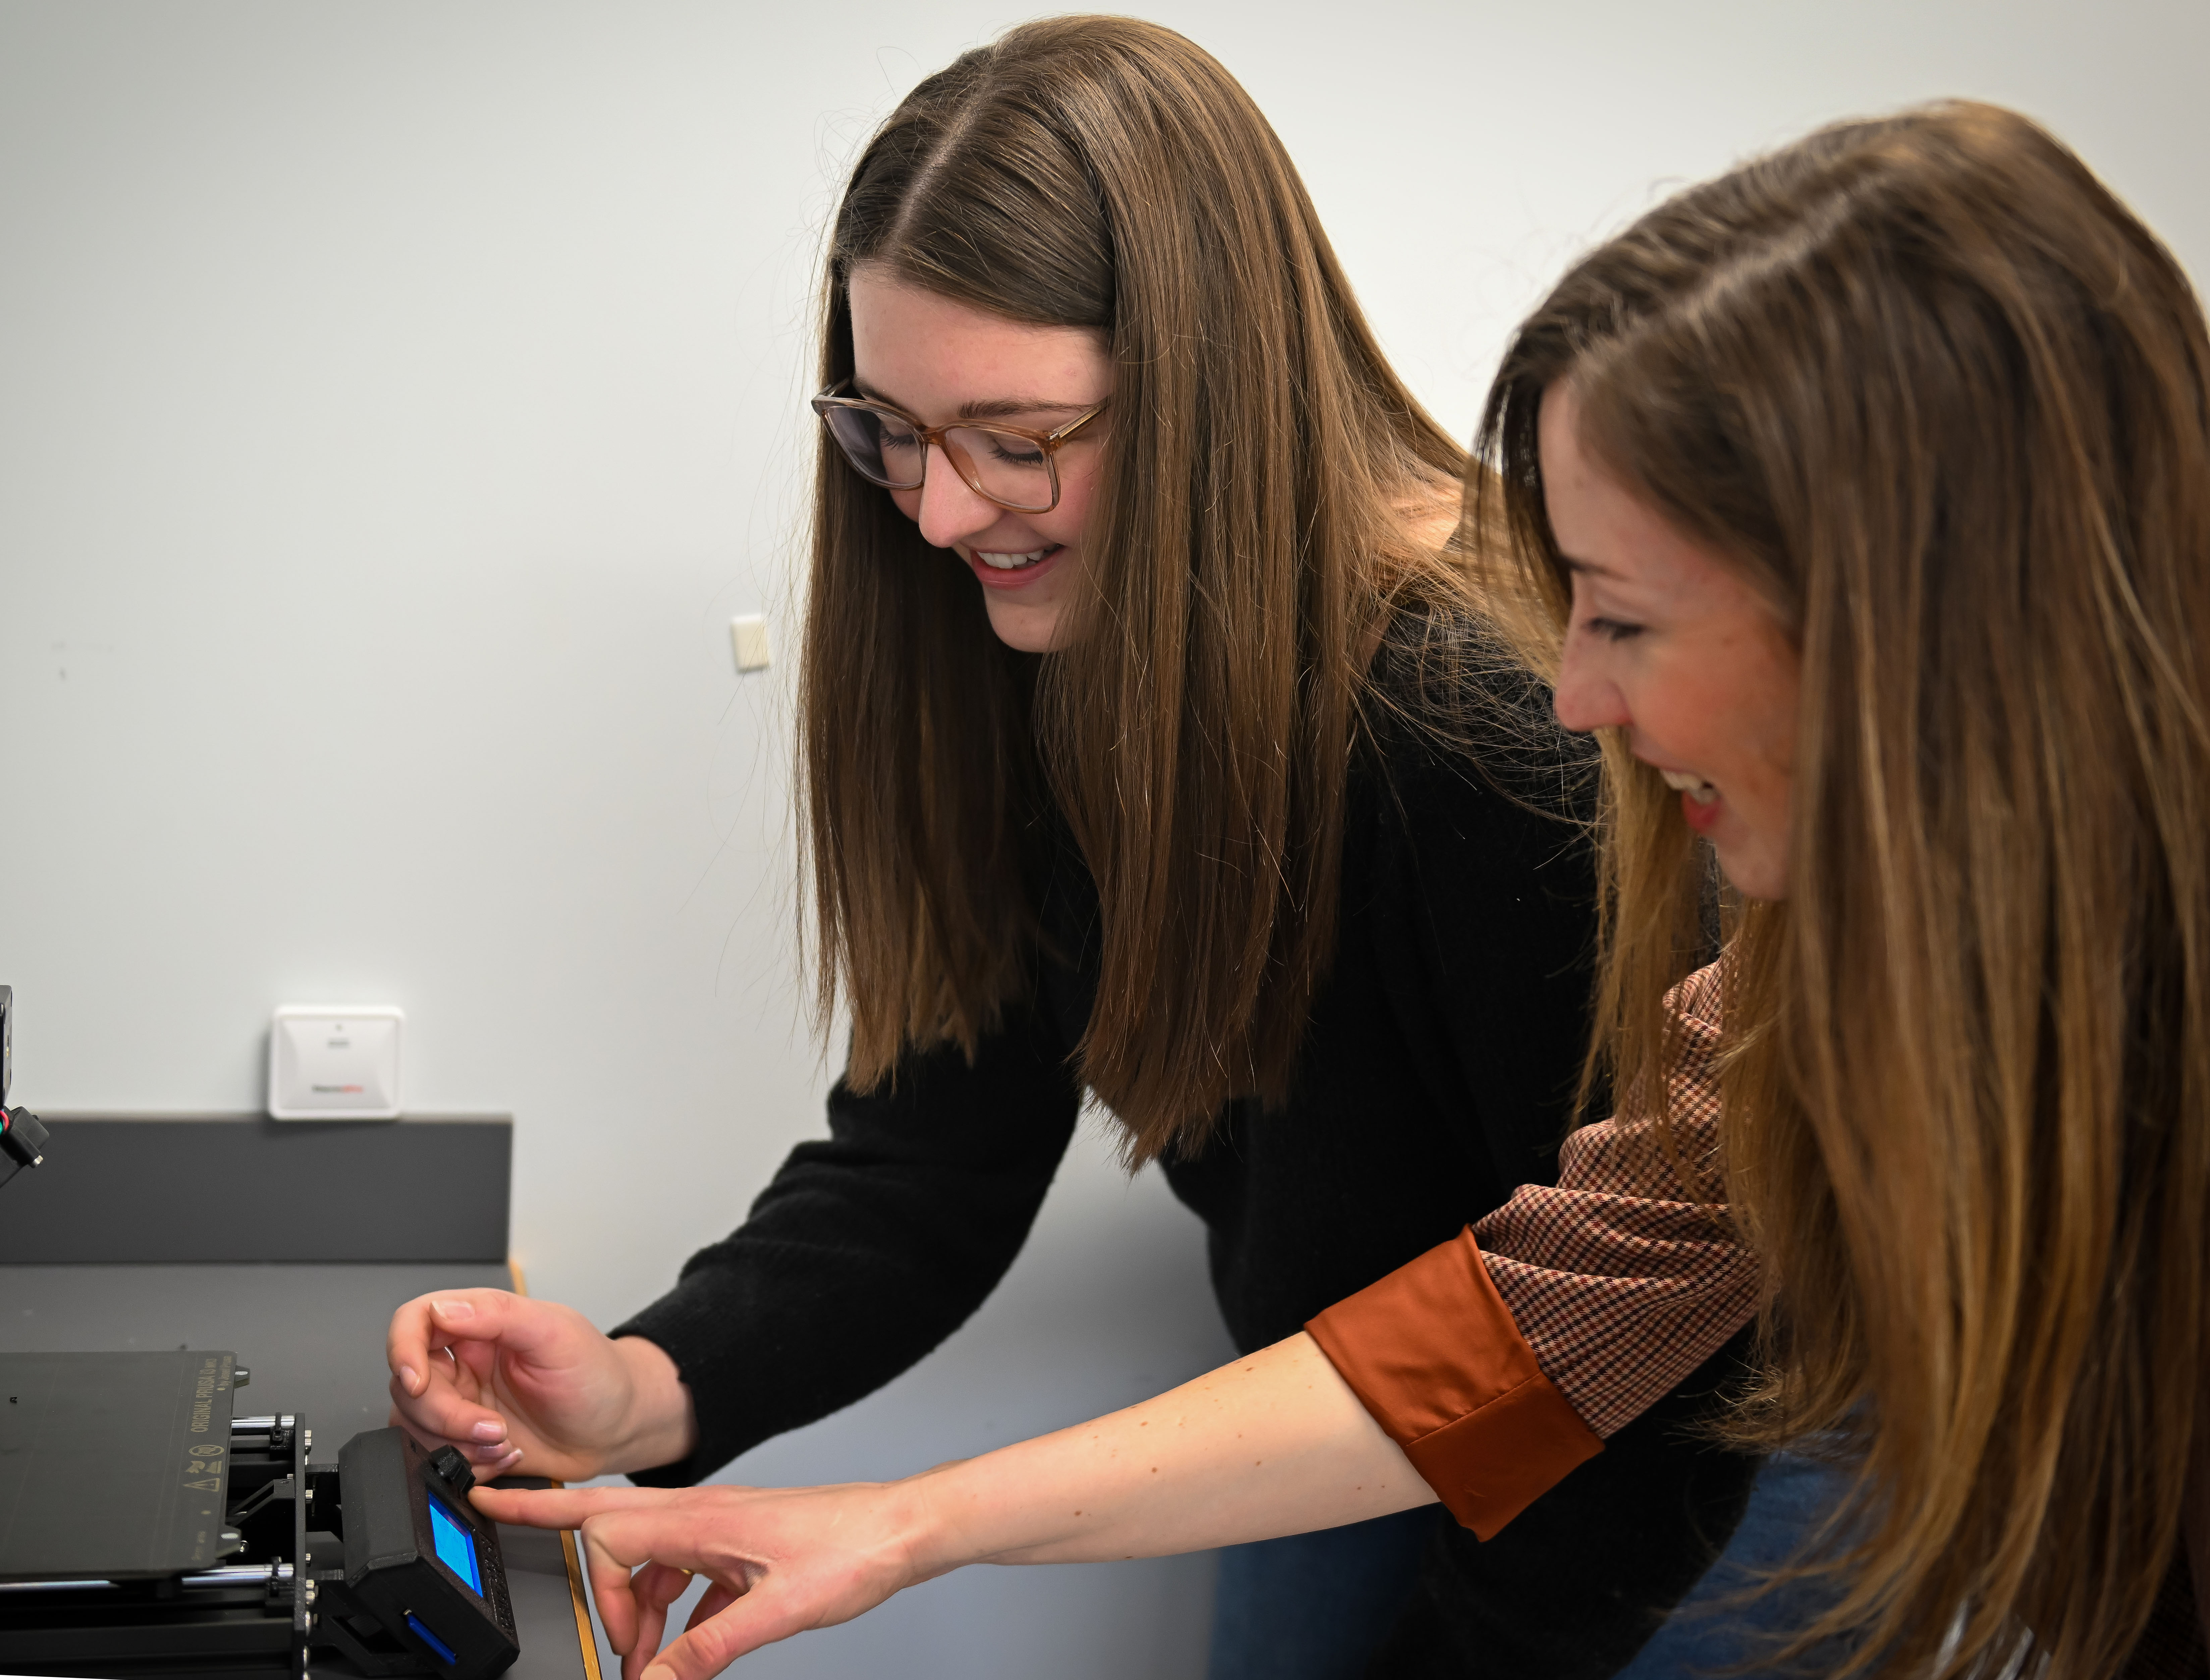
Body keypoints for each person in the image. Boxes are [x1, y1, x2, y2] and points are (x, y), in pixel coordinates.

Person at [469, 98, 2210, 1680]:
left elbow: (1643, 1423)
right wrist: (888, 1517)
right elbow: (1541, 1319)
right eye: (895, 435)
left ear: (1911, 618)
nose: (1582, 694)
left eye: (1623, 613)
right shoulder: (1806, 996)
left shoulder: (1485, 732)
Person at [385, 16, 1770, 1678]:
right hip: (1366, 1423)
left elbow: (1657, 1339)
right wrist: (641, 1385)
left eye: (1017, 438)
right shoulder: (1047, 633)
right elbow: (933, 1150)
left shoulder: (1489, 716)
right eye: (888, 428)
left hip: (1687, 1485)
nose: (941, 511)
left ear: (1210, 393)